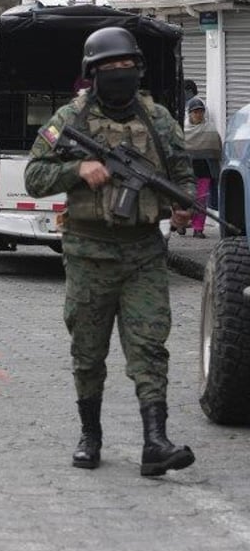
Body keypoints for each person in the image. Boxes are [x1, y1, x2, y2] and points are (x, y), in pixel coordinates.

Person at [24, 27, 196, 477]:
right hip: (88, 252)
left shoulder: (158, 120)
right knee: (88, 350)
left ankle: (155, 441)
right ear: (92, 73)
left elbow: (182, 174)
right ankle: (90, 435)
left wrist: (181, 210)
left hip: (143, 254)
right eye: (109, 69)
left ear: (138, 70)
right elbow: (34, 177)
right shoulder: (70, 119)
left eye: (126, 67)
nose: (119, 75)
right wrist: (79, 169)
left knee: (150, 346)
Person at [184, 96, 223, 236]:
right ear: (189, 113)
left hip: (204, 171)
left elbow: (217, 149)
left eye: (200, 111)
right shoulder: (182, 130)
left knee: (201, 200)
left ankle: (198, 229)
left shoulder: (210, 129)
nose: (198, 114)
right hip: (185, 171)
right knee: (184, 199)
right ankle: (182, 223)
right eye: (195, 112)